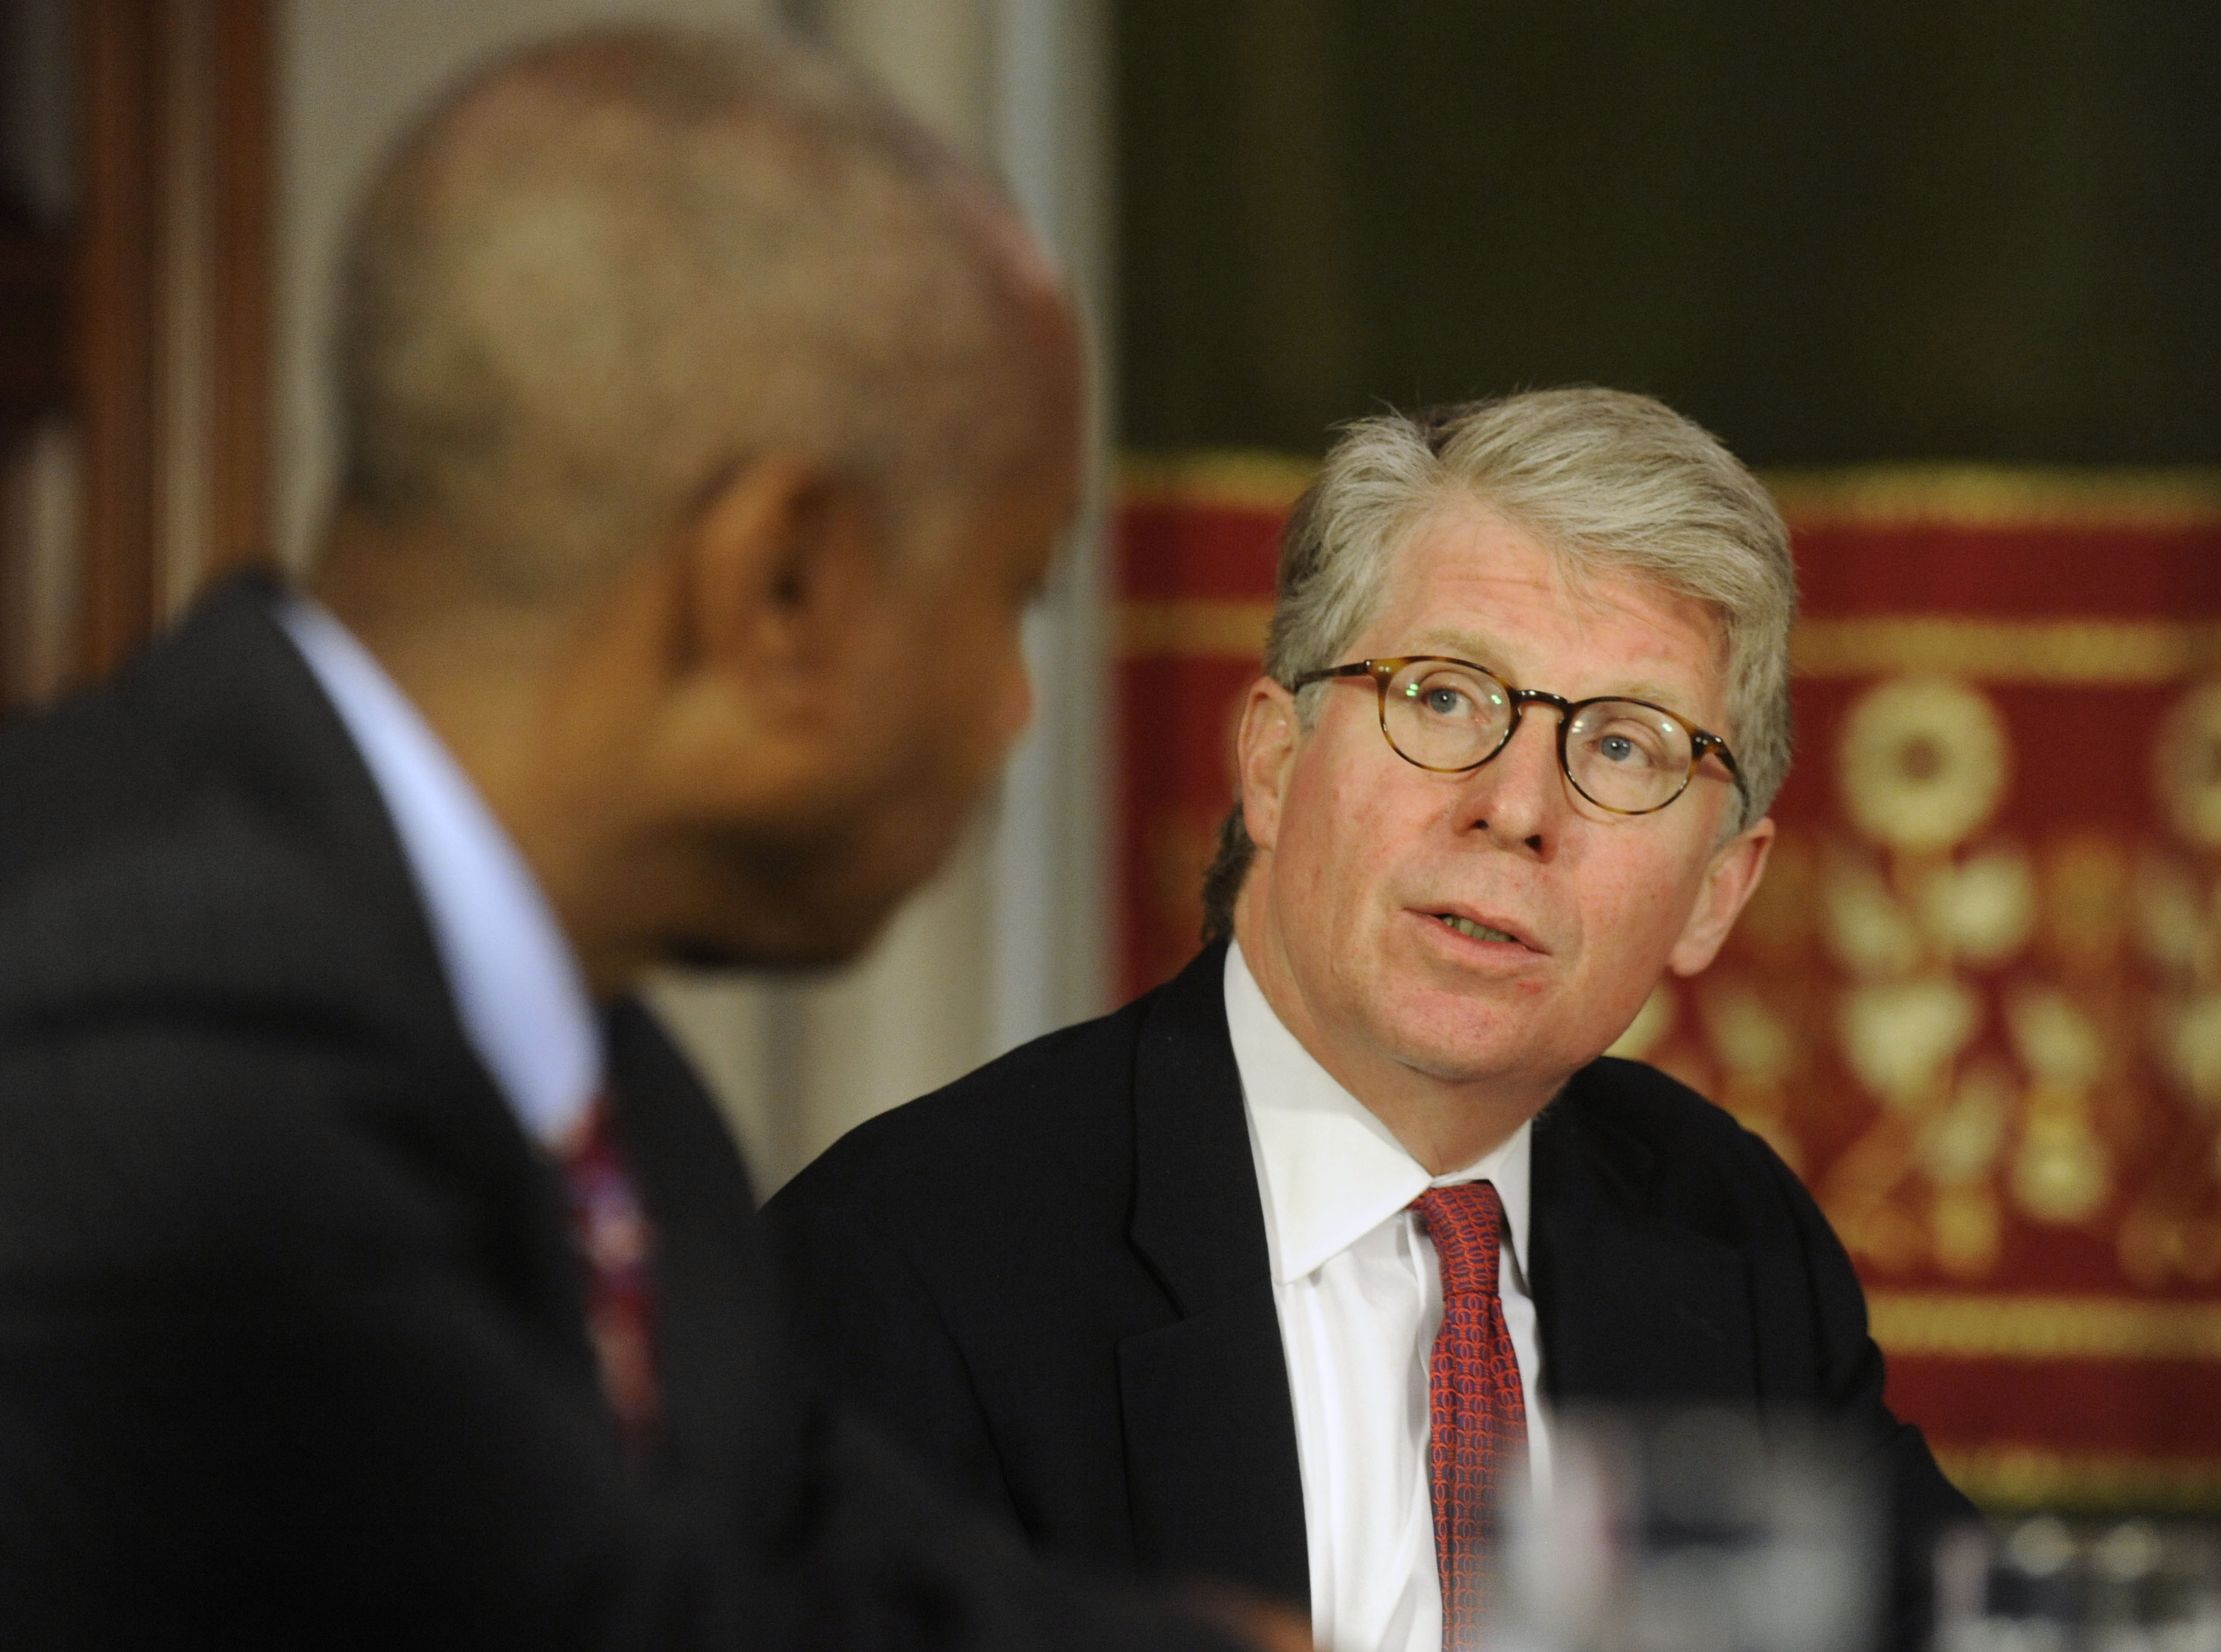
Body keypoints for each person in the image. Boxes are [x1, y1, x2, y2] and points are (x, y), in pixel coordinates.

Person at [0, 27, 1295, 1652]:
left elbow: (854, 1576)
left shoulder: (613, 1102)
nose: (1014, 711)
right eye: (1010, 593)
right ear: (781, 587)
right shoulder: (138, 1016)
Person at [765, 389, 1979, 1652]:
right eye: (1445, 697)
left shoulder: (1728, 1238)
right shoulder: (905, 1264)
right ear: (1276, 766)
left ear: (1718, 892)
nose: (1517, 808)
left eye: (1626, 745)